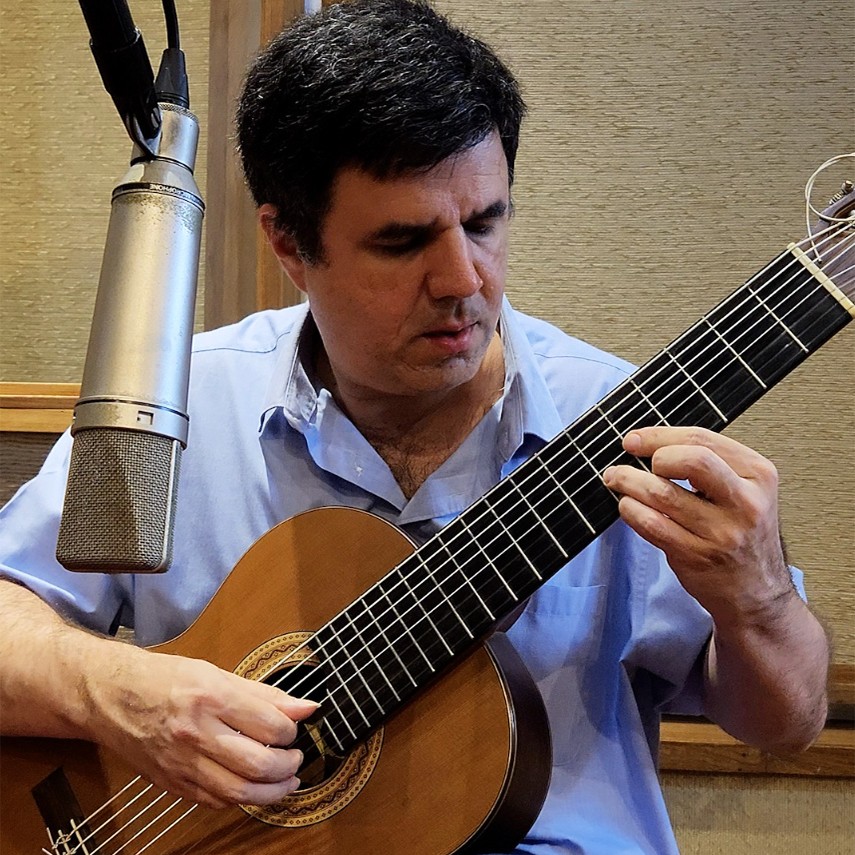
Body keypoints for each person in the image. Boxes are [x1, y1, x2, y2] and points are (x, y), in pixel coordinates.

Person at [0, 0, 828, 852]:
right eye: (402, 242)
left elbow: (787, 724)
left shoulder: (623, 426)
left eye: (485, 222)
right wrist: (121, 692)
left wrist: (758, 596)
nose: (463, 279)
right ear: (288, 243)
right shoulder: (179, 402)